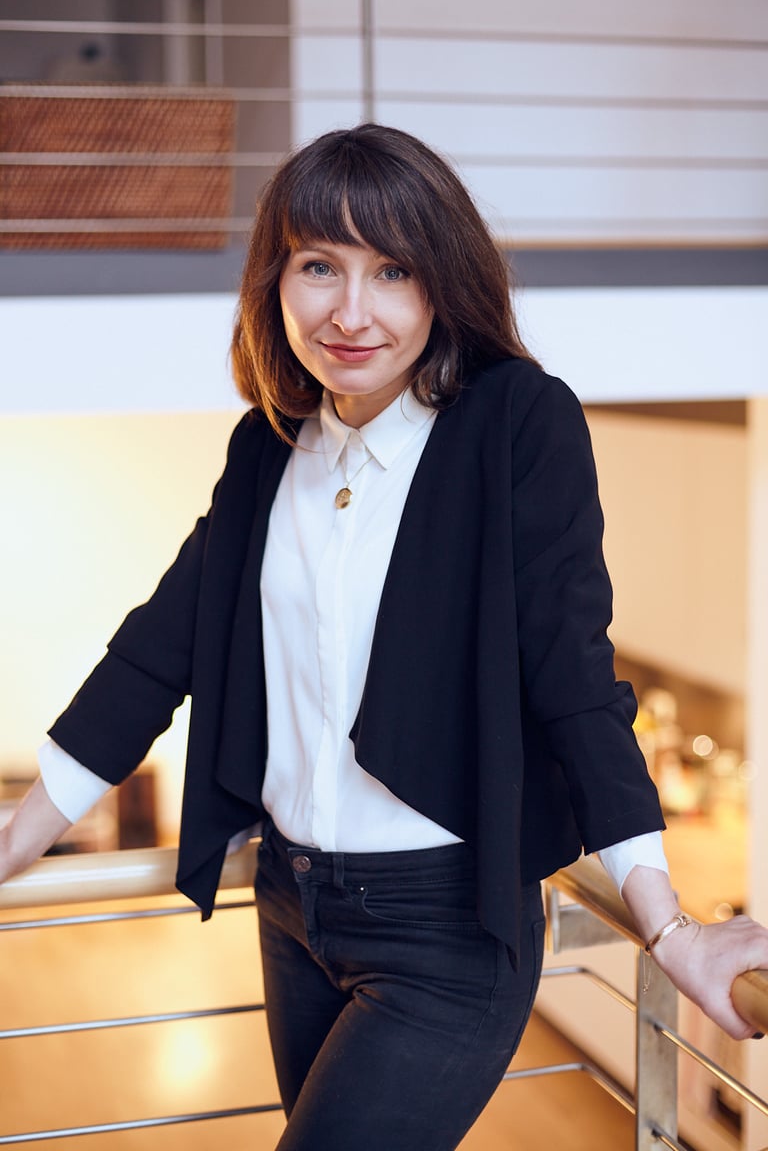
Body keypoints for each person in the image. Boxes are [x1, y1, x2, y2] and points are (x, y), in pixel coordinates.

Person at [1, 123, 767, 1151]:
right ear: (276, 280)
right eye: (319, 266)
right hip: (290, 908)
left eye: (392, 270)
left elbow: (572, 672)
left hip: (447, 930)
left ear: (441, 284)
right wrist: (18, 835)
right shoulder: (270, 443)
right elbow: (160, 647)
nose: (349, 312)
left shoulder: (514, 423)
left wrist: (667, 921)